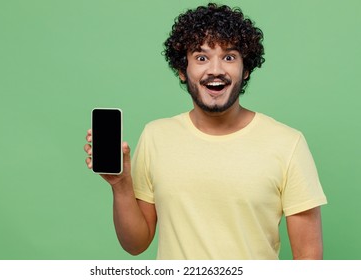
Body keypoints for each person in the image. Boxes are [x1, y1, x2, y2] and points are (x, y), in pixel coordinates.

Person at [84, 3, 327, 260]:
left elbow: (308, 259)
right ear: (181, 70)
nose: (215, 70)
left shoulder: (287, 143)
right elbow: (136, 244)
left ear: (245, 70)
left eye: (229, 57)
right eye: (201, 58)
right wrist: (121, 185)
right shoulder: (156, 136)